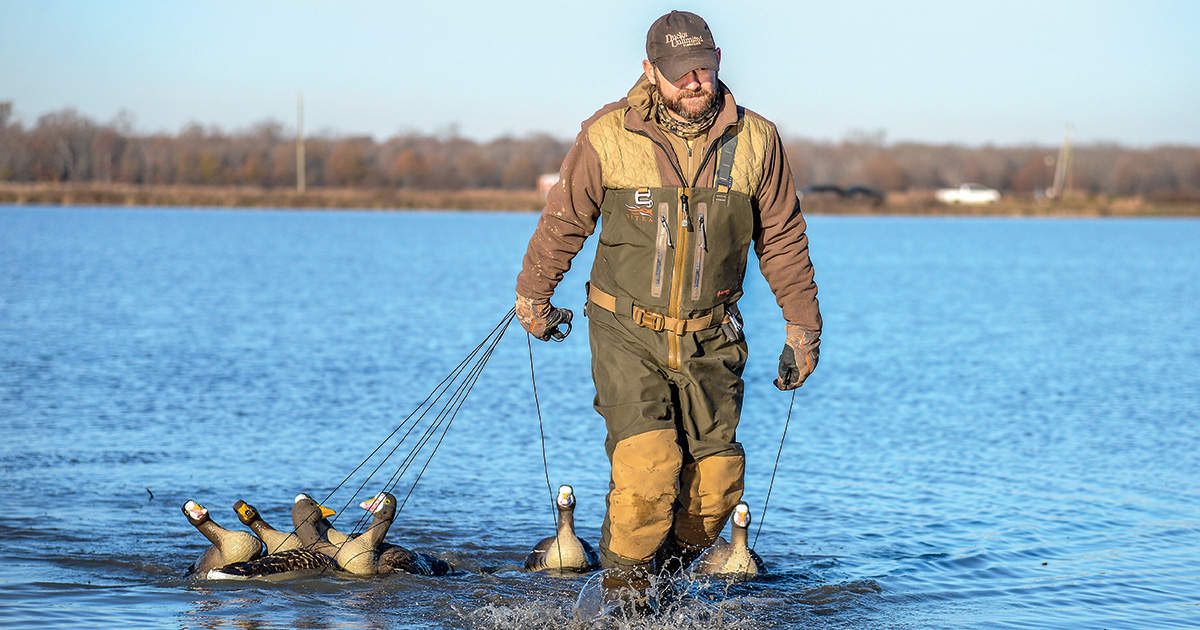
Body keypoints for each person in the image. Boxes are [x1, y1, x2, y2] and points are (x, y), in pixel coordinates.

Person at [514, 10, 821, 601]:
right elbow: (563, 220)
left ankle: (661, 586)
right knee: (648, 468)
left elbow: (782, 238)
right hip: (627, 331)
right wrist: (534, 294)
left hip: (714, 337)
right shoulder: (607, 134)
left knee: (717, 488)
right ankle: (621, 598)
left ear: (718, 63)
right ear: (651, 70)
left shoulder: (758, 140)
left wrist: (802, 329)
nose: (693, 83)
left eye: (702, 69)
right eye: (679, 72)